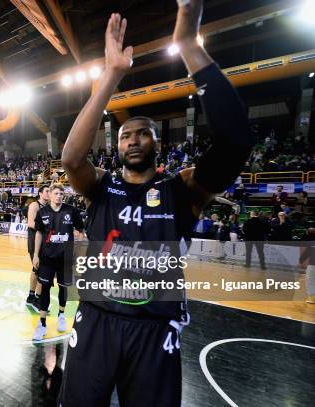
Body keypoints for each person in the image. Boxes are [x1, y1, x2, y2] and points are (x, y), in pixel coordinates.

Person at [58, 1, 254, 405]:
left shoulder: (181, 190)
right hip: (96, 321)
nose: (132, 139)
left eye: (142, 133)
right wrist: (110, 76)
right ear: (116, 146)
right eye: (125, 135)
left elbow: (236, 142)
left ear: (157, 143)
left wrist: (187, 45)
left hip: (153, 328)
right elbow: (71, 160)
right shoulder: (101, 187)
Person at [31, 183, 84, 341]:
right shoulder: (43, 212)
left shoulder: (71, 210)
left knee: (63, 288)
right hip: (47, 258)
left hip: (65, 258)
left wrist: (77, 250)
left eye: (62, 193)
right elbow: (39, 233)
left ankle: (61, 314)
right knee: (45, 289)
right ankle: (42, 324)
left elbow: (80, 230)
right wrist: (35, 255)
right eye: (56, 193)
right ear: (50, 195)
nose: (59, 196)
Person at [26, 185, 50, 311]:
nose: (49, 193)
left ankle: (31, 297)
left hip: (45, 242)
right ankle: (37, 299)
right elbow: (30, 223)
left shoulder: (50, 206)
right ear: (40, 193)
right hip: (34, 241)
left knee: (36, 270)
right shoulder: (35, 205)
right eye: (47, 191)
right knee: (40, 270)